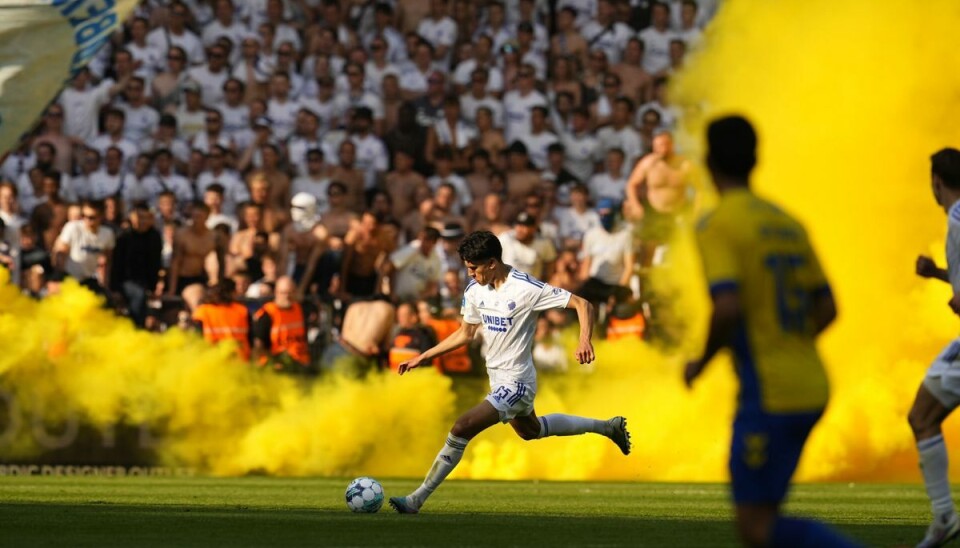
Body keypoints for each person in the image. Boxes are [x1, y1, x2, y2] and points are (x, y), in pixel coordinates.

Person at [684, 116, 856, 548]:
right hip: (812, 381)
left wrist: (701, 363)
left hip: (771, 392)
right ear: (756, 159)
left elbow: (727, 308)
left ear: (707, 162)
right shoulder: (788, 222)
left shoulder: (716, 223)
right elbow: (828, 307)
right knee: (768, 515)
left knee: (756, 525)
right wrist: (789, 339)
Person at [389, 230, 631, 514]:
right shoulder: (475, 291)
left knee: (461, 427)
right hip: (498, 380)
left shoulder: (526, 288)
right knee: (533, 430)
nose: (469, 274)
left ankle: (415, 500)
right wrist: (424, 356)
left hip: (517, 382)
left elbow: (582, 304)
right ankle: (607, 427)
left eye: (473, 268)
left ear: (492, 263)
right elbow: (465, 333)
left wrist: (584, 339)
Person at [910, 147, 960, 548]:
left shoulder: (959, 219)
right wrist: (940, 275)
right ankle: (944, 517)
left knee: (922, 417)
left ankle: (944, 515)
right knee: (922, 415)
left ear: (937, 182)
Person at [110, 203, 162, 327]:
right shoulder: (123, 236)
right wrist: (114, 288)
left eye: (145, 217)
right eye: (139, 217)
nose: (142, 221)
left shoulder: (155, 237)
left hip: (146, 282)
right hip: (125, 281)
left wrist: (155, 287)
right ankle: (135, 329)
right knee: (138, 295)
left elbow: (155, 263)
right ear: (131, 218)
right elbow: (116, 265)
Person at [53, 200, 115, 293]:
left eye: (91, 217)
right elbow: (60, 254)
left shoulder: (107, 234)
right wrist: (58, 279)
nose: (87, 220)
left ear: (101, 216)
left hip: (90, 280)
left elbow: (106, 261)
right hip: (70, 279)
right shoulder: (72, 227)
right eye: (83, 216)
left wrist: (105, 285)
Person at [252, 276, 311, 371]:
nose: (287, 296)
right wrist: (274, 361)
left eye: (290, 292)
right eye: (283, 293)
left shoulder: (299, 310)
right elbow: (258, 346)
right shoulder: (267, 314)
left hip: (299, 363)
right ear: (276, 293)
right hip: (274, 366)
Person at [192, 279, 251, 360]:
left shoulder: (202, 311)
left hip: (211, 360)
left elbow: (195, 337)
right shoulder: (242, 310)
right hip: (239, 360)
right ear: (232, 293)